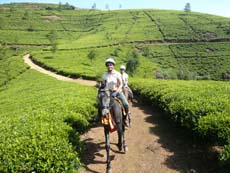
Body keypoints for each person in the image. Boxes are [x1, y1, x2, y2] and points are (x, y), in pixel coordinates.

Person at [102, 58, 130, 127]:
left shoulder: (117, 74)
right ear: (106, 66)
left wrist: (117, 91)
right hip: (108, 92)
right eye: (108, 65)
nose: (109, 66)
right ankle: (99, 116)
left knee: (126, 104)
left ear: (113, 65)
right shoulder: (105, 75)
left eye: (111, 65)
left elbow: (121, 84)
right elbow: (104, 84)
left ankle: (125, 118)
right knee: (100, 103)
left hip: (117, 92)